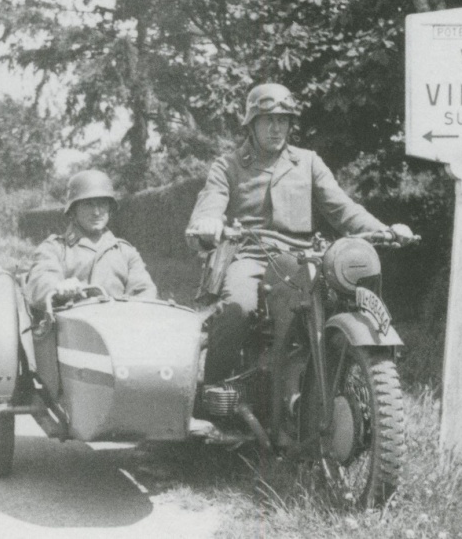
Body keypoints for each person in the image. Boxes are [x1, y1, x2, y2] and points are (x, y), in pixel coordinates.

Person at [186, 83, 414, 382]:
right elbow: (211, 202)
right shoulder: (228, 165)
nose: (277, 127)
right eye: (269, 120)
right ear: (251, 124)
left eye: (283, 120)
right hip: (251, 256)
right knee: (237, 308)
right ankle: (213, 387)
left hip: (303, 258)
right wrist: (209, 222)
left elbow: (342, 208)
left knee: (340, 300)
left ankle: (338, 386)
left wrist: (384, 230)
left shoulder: (307, 162)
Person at [26, 169, 157, 311]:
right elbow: (41, 283)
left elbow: (145, 293)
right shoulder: (55, 248)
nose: (96, 212)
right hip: (71, 329)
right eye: (88, 204)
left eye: (102, 204)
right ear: (73, 210)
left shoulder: (125, 252)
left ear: (110, 208)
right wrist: (59, 289)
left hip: (119, 326)